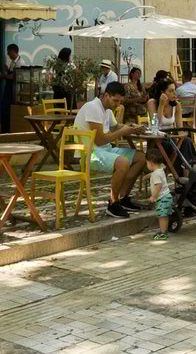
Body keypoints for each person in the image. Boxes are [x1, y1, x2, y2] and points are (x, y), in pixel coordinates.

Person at [75, 81, 147, 218]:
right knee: (123, 162)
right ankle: (113, 203)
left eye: (120, 101)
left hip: (105, 150)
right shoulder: (93, 107)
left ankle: (123, 197)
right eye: (115, 101)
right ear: (106, 95)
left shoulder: (107, 109)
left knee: (141, 158)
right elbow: (100, 140)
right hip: (90, 153)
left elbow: (114, 127)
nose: (118, 104)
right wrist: (123, 131)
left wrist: (131, 127)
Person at [147, 153, 175, 243]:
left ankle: (163, 233)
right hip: (167, 197)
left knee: (162, 217)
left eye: (146, 163)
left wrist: (153, 196)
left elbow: (158, 185)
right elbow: (156, 175)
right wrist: (148, 175)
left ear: (150, 163)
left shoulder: (155, 175)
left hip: (162, 198)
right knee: (164, 216)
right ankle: (164, 231)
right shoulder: (160, 170)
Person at [0, 44, 24, 131]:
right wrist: (6, 69)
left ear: (13, 51)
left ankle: (8, 129)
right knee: (5, 108)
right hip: (8, 88)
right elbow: (9, 73)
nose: (8, 54)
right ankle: (5, 128)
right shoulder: (13, 62)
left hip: (13, 89)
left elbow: (13, 76)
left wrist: (2, 75)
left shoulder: (20, 63)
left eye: (9, 52)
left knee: (9, 109)